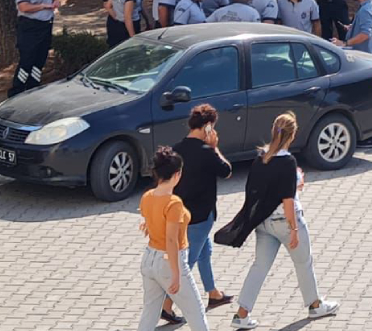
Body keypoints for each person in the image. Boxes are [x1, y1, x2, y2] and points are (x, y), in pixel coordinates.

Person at [223, 113, 340, 328]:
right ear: (292, 134)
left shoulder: (261, 157)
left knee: (259, 267)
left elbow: (259, 190)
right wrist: (293, 229)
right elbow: (287, 200)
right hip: (285, 222)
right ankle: (315, 305)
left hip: (264, 223)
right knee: (304, 262)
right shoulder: (288, 161)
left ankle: (242, 314)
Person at [135, 146, 210, 331]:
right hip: (169, 261)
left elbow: (150, 221)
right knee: (196, 311)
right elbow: (171, 240)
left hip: (149, 260)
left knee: (150, 313)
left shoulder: (147, 197)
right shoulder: (173, 203)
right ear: (177, 174)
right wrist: (176, 274)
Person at [172, 105, 234, 312]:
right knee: (187, 264)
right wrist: (215, 146)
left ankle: (213, 294)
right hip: (200, 217)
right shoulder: (207, 152)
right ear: (208, 127)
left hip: (179, 214)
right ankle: (166, 305)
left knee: (205, 252)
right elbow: (226, 171)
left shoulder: (176, 149)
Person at [335, 0, 372, 148]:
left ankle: (371, 136)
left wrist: (346, 43)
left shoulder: (365, 10)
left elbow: (366, 34)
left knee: (363, 100)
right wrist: (352, 28)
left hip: (362, 61)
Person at [10, 0, 59, 96]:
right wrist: (43, 6)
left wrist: (54, 2)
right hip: (30, 28)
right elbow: (23, 7)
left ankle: (33, 89)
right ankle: (16, 92)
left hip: (45, 26)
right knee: (27, 61)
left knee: (39, 60)